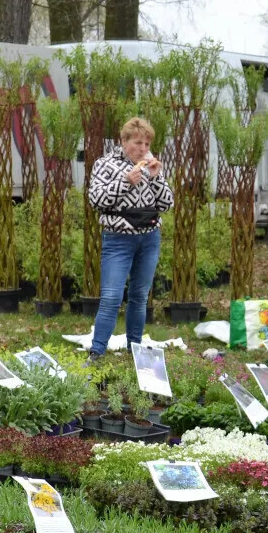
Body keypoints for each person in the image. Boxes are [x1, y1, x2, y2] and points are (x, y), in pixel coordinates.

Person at [86, 117, 174, 361]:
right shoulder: (105, 164)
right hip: (118, 239)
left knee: (139, 295)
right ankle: (97, 352)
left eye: (147, 144)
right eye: (138, 143)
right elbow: (96, 200)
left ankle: (134, 350)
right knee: (112, 296)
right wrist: (125, 182)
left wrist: (156, 178)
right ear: (124, 141)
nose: (143, 149)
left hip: (149, 238)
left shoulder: (150, 164)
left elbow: (167, 203)